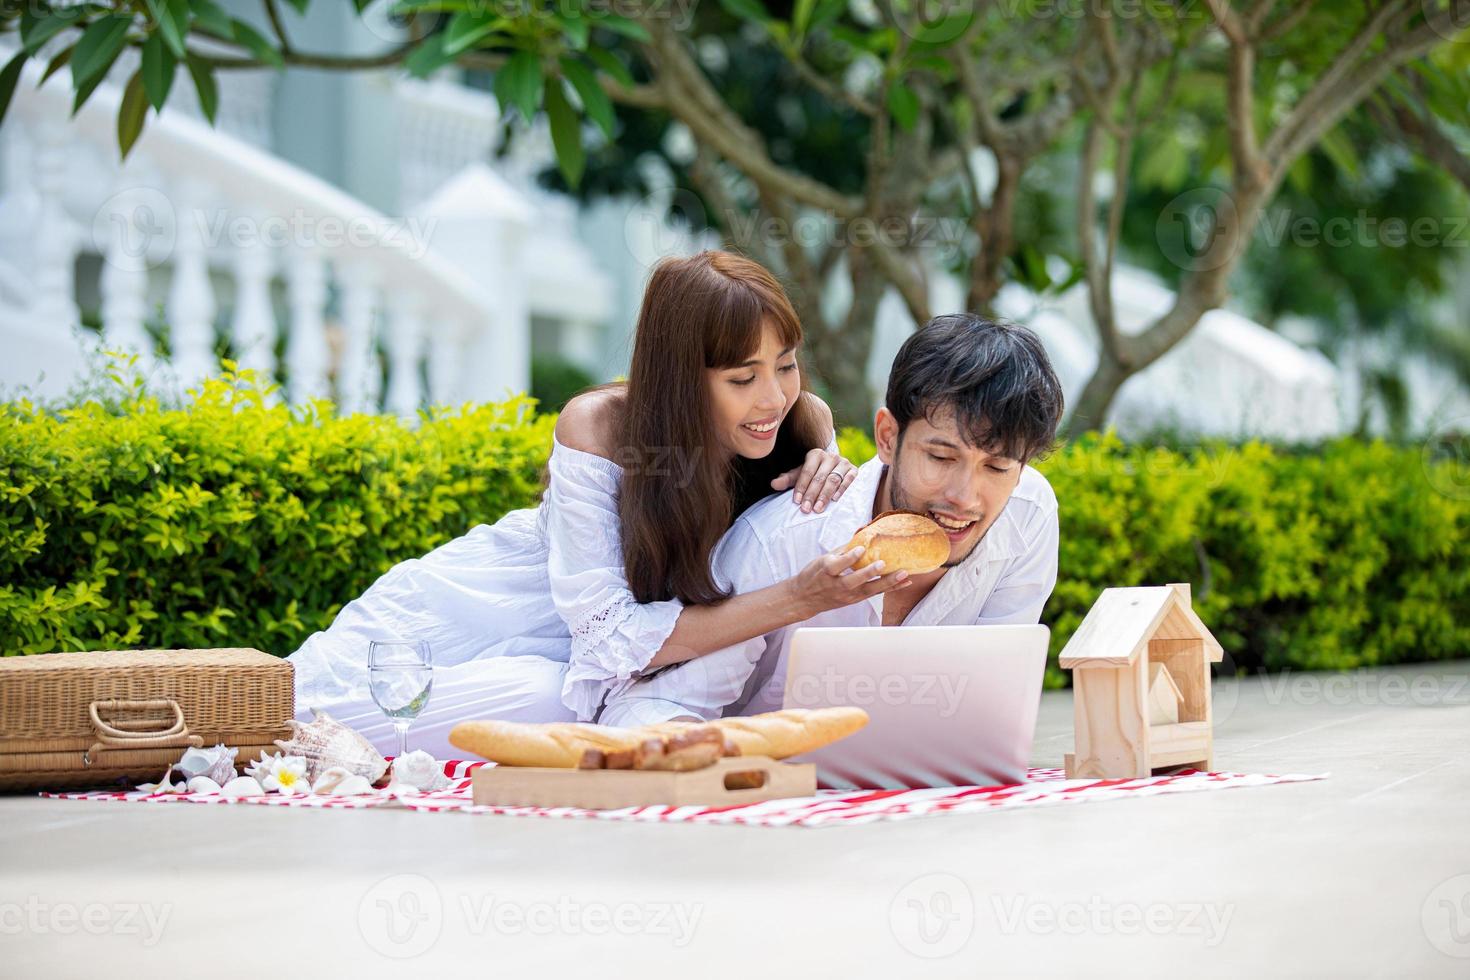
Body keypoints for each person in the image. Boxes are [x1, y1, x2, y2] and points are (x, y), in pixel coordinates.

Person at [287, 251, 910, 756]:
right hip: (492, 612)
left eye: (787, 366)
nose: (773, 398)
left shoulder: (803, 425)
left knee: (560, 706)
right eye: (742, 379)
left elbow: (805, 531)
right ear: (680, 376)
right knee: (299, 706)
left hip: (618, 674)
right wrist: (801, 595)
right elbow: (610, 642)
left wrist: (834, 478)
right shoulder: (600, 429)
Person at [597, 313, 1066, 726]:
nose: (964, 497)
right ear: (887, 436)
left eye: (999, 467)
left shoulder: (1027, 515)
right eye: (941, 458)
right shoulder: (780, 541)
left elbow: (991, 707)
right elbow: (645, 707)